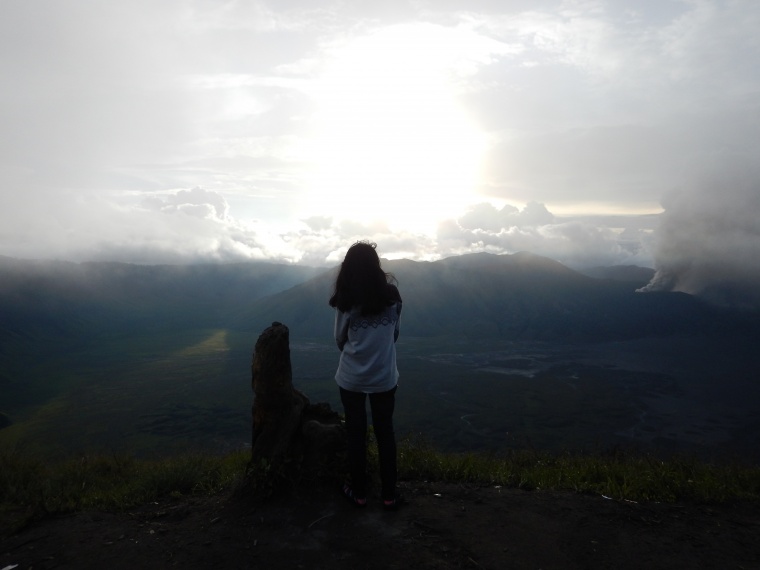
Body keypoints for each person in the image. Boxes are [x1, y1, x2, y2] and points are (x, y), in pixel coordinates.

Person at [329, 241, 403, 510]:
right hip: (384, 377)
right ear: (376, 266)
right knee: (385, 433)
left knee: (355, 434)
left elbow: (339, 339)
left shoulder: (346, 301)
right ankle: (389, 495)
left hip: (351, 379)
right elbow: (394, 334)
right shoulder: (393, 297)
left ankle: (358, 493)